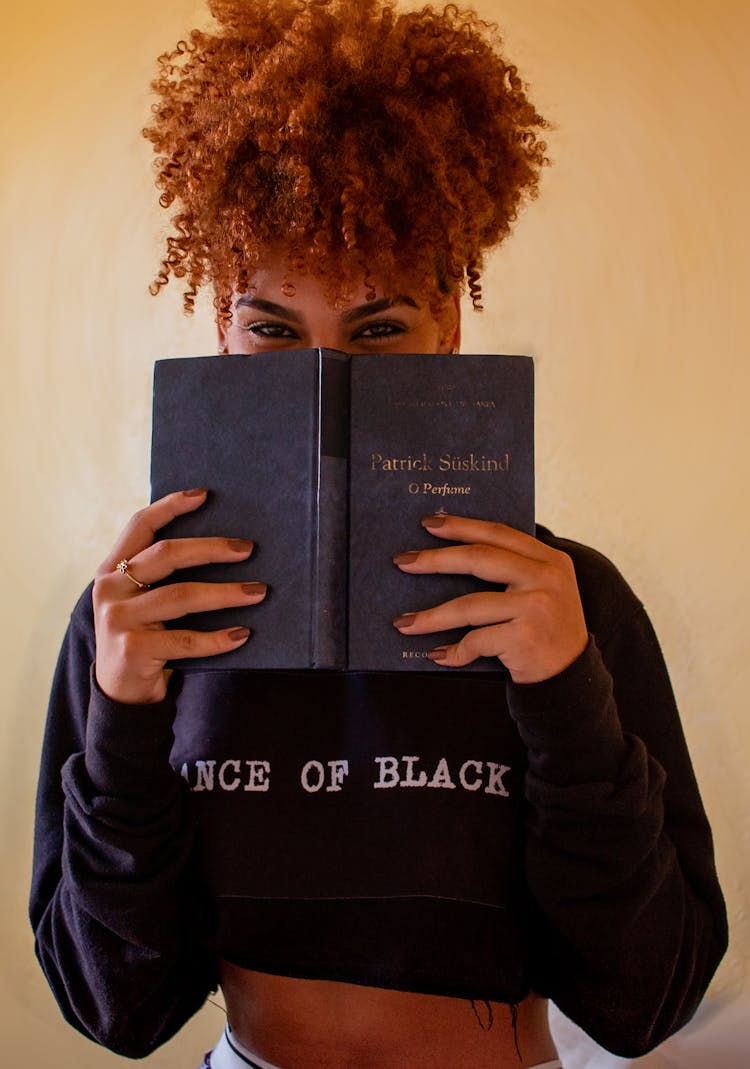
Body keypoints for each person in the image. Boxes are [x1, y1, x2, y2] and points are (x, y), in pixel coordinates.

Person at [30, 2, 727, 1067]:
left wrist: (564, 692)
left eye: (379, 329)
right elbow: (112, 1006)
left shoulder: (564, 600)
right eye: (273, 329)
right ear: (220, 319)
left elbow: (647, 997)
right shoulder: (143, 614)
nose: (329, 378)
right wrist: (123, 724)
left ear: (448, 323)